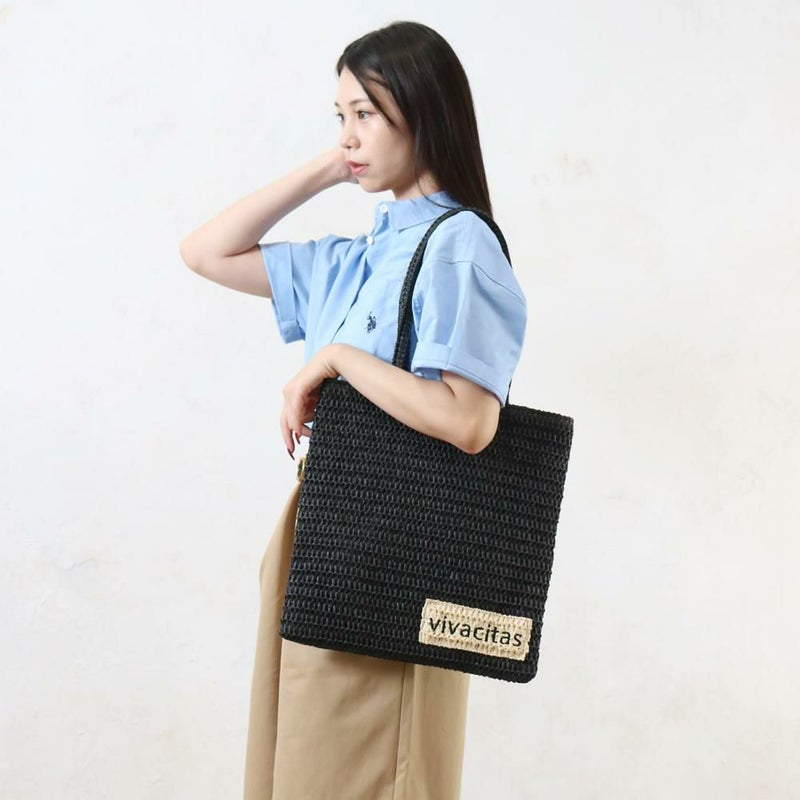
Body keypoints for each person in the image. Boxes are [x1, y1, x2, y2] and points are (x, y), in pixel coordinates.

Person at [179, 20, 527, 800]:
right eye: (341, 116)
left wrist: (338, 358)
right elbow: (205, 252)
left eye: (365, 114)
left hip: (393, 546)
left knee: (364, 774)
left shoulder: (460, 246)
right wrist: (330, 168)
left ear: (422, 111)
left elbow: (470, 421)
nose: (349, 134)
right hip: (322, 531)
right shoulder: (358, 257)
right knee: (297, 769)